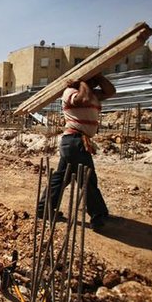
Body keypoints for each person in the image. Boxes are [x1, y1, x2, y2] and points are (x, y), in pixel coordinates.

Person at [37, 74, 116, 231]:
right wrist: (81, 82)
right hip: (74, 141)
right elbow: (83, 99)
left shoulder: (91, 93)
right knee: (87, 179)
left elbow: (110, 91)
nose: (94, 83)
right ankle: (98, 216)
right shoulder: (70, 92)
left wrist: (99, 77)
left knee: (61, 178)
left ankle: (43, 209)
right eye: (91, 80)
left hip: (75, 142)